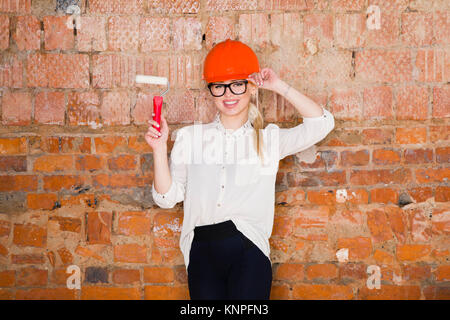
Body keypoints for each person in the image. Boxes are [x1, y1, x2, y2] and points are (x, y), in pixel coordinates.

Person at [145, 39, 335, 300]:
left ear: (251, 87)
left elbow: (321, 124)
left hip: (249, 251)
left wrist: (277, 85)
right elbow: (167, 199)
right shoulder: (190, 138)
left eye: (237, 84)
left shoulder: (269, 140)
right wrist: (158, 148)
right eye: (219, 87)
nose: (228, 94)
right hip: (201, 252)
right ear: (210, 90)